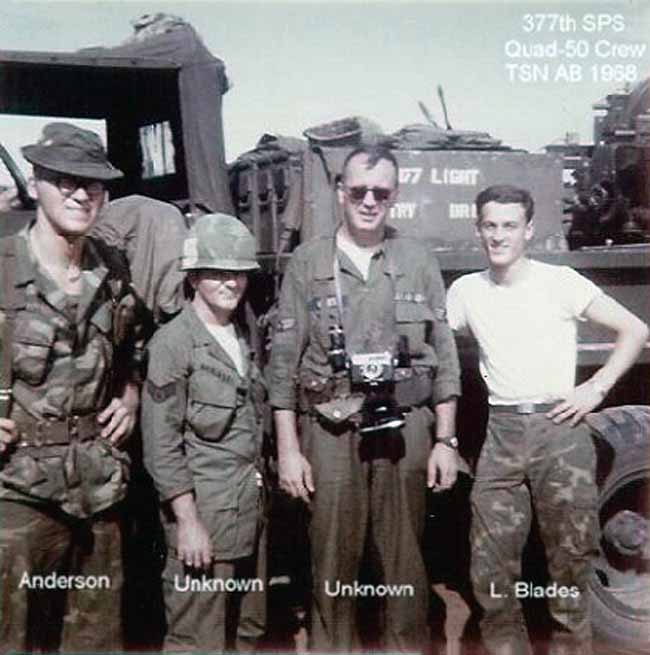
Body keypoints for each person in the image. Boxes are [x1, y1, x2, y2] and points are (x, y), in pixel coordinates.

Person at [268, 144, 461, 652]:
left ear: (394, 196)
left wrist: (446, 439)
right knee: (331, 563)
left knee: (405, 565)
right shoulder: (308, 261)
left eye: (381, 192)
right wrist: (288, 449)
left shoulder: (416, 260)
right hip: (331, 434)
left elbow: (443, 355)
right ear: (340, 193)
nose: (369, 201)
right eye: (358, 191)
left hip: (406, 429)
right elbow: (283, 361)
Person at [446, 184, 649, 655]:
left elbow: (635, 329)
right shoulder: (466, 291)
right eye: (490, 226)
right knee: (491, 574)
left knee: (569, 570)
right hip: (501, 435)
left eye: (509, 226)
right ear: (478, 230)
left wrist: (594, 389)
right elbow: (435, 339)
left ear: (529, 230)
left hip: (559, 432)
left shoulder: (560, 282)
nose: (499, 236)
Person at [0, 122, 143, 652]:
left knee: (95, 641)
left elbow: (135, 349)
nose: (81, 194)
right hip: (15, 494)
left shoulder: (114, 272)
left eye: (93, 184)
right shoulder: (2, 267)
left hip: (97, 490)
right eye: (65, 180)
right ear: (36, 182)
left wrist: (130, 395)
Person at [141, 213, 267, 652]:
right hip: (204, 521)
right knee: (198, 639)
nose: (231, 283)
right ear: (193, 277)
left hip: (248, 513)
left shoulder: (241, 334)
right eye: (218, 273)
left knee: (248, 631)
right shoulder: (173, 344)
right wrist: (188, 522)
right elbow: (161, 445)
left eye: (239, 273)